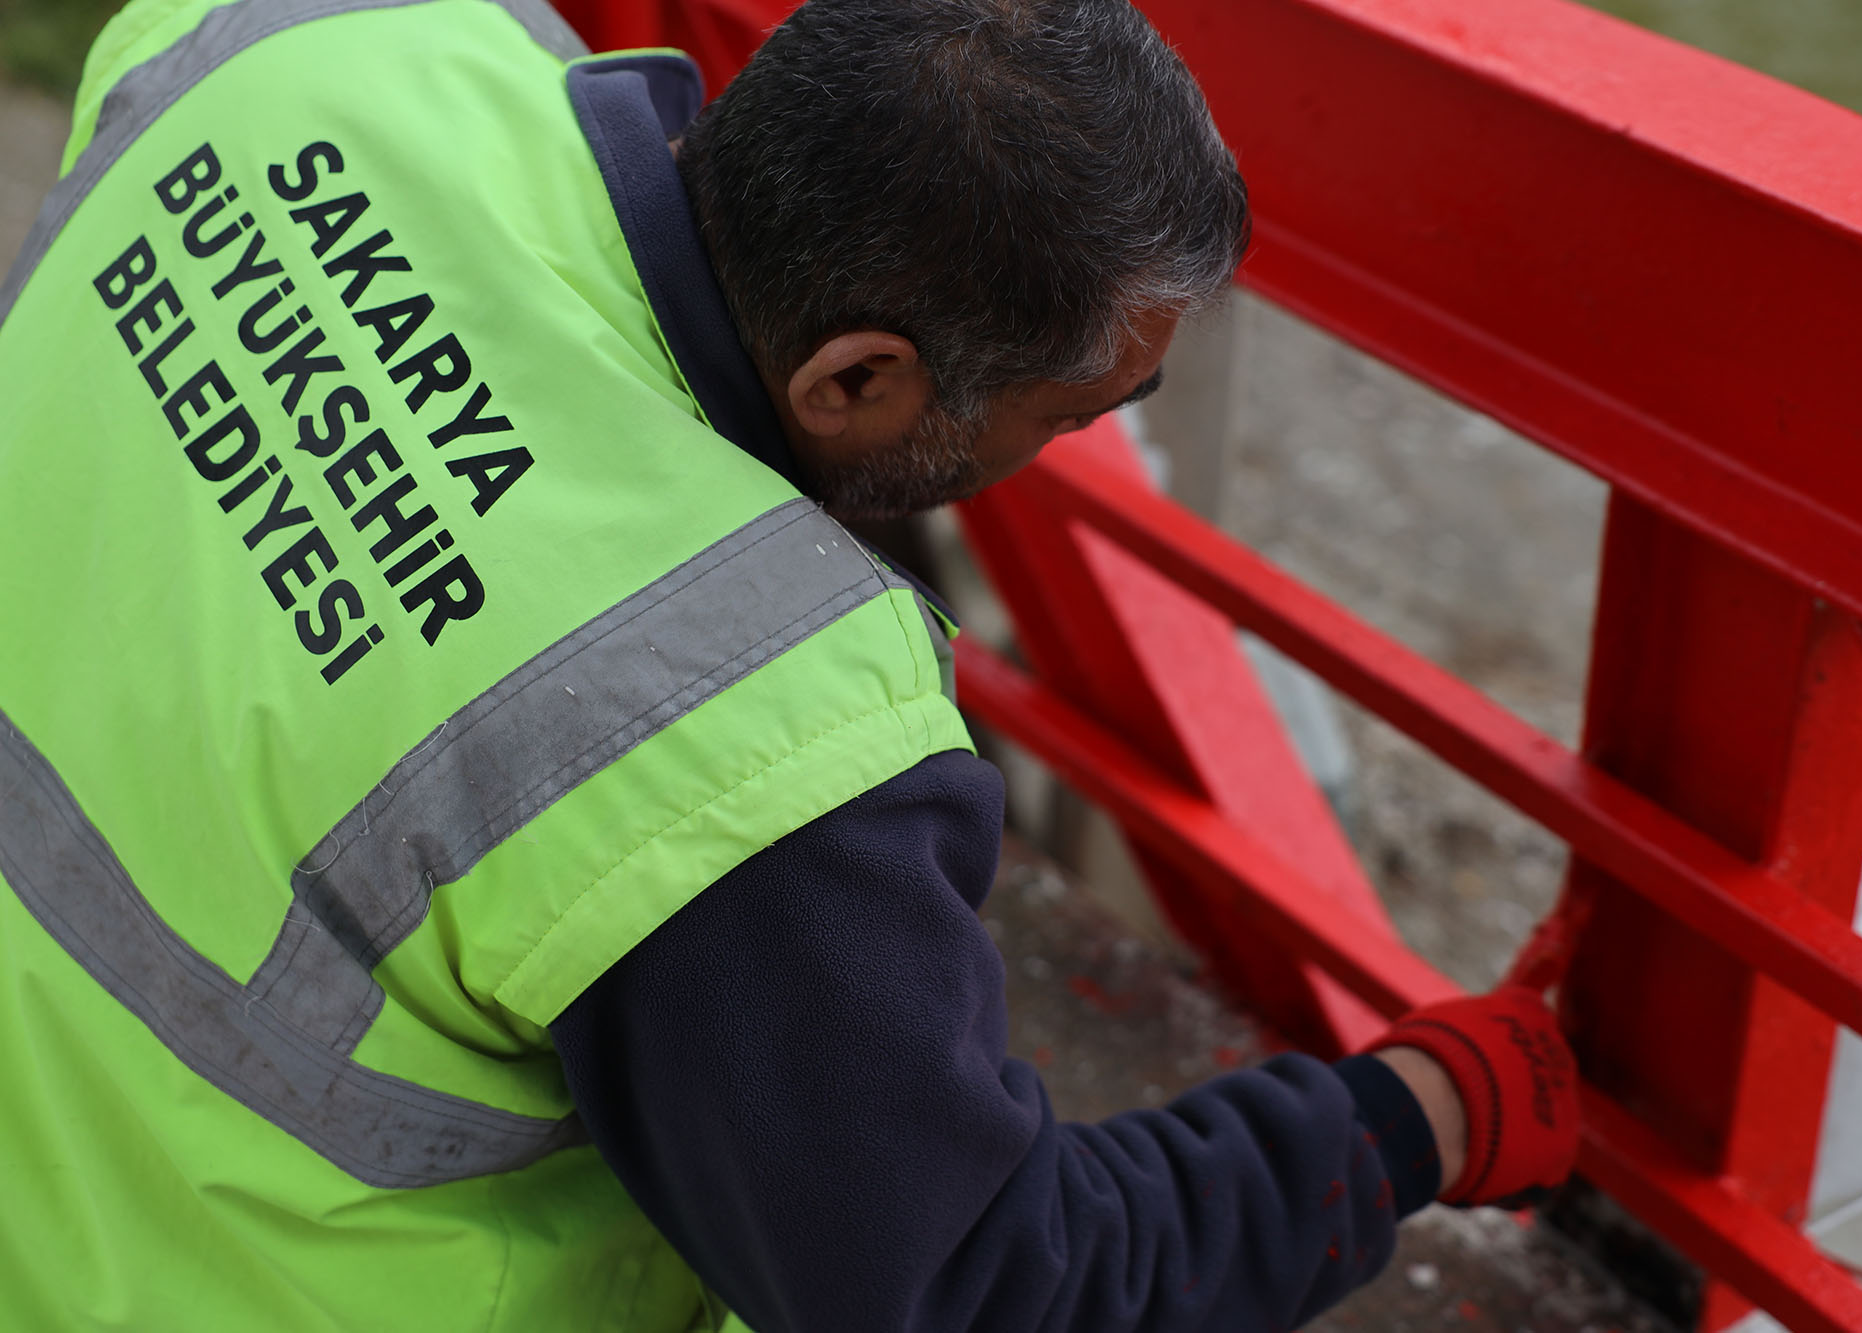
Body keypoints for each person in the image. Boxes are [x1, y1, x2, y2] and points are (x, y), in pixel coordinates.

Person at [0, 0, 1579, 1329]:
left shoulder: (310, 43)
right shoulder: (713, 727)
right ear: (859, 377)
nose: (1087, 445)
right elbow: (990, 1285)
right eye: (1081, 410)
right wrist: (1414, 1114)